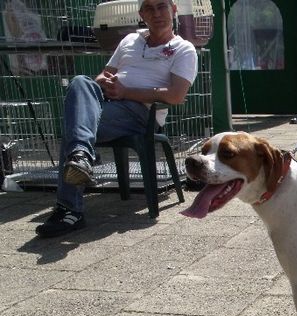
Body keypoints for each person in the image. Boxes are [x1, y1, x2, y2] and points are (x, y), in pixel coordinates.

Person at [35, 0, 197, 238]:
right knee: (81, 81)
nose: (156, 13)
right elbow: (106, 73)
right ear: (142, 14)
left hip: (142, 114)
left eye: (162, 6)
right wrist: (105, 82)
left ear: (173, 10)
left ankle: (69, 208)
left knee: (76, 126)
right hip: (109, 104)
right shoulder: (130, 40)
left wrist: (125, 92)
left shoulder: (184, 49)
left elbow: (175, 95)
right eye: (149, 9)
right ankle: (82, 156)